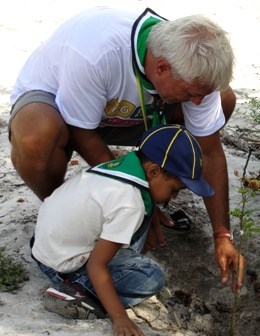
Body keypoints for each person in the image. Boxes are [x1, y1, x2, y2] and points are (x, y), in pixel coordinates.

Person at [8, 7, 242, 288]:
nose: (195, 102)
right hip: (62, 109)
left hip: (128, 114)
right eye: (191, 93)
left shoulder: (192, 67)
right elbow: (83, 131)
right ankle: (66, 219)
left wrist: (222, 234)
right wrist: (138, 196)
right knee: (36, 139)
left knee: (223, 101)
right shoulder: (96, 52)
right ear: (162, 68)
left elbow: (211, 152)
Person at [32, 124, 216, 335]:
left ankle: (90, 280)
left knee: (147, 211)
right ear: (154, 171)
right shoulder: (130, 203)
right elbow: (96, 266)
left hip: (44, 244)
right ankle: (80, 290)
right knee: (152, 277)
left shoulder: (120, 166)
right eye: (174, 190)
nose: (173, 198)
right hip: (64, 263)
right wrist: (120, 318)